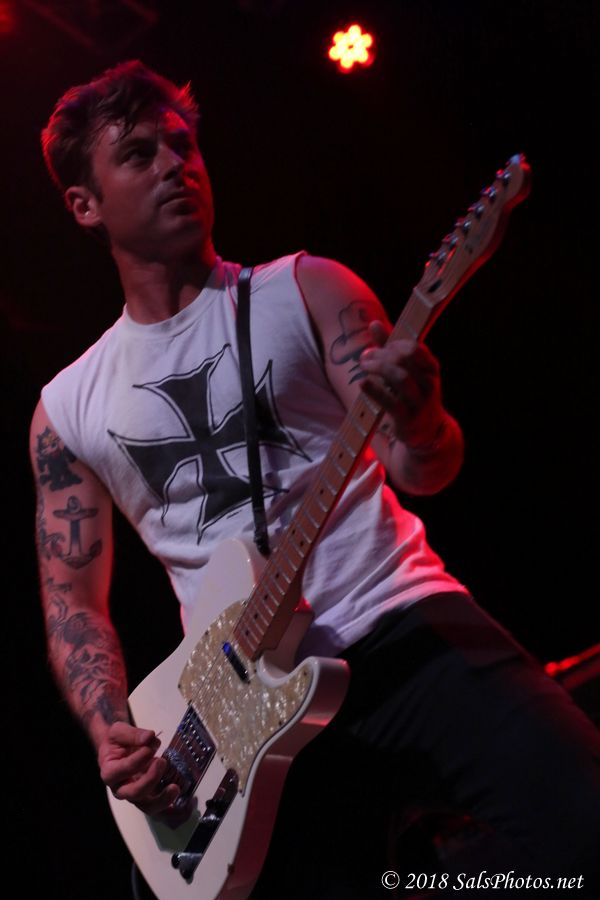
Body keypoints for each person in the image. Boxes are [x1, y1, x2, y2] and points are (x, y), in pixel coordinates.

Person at [32, 61, 600, 899]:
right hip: (240, 717)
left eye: (184, 146)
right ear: (85, 204)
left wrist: (421, 418)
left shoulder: (306, 289)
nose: (175, 166)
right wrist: (110, 726)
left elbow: (425, 469)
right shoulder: (68, 406)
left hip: (402, 625)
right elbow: (72, 601)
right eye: (140, 154)